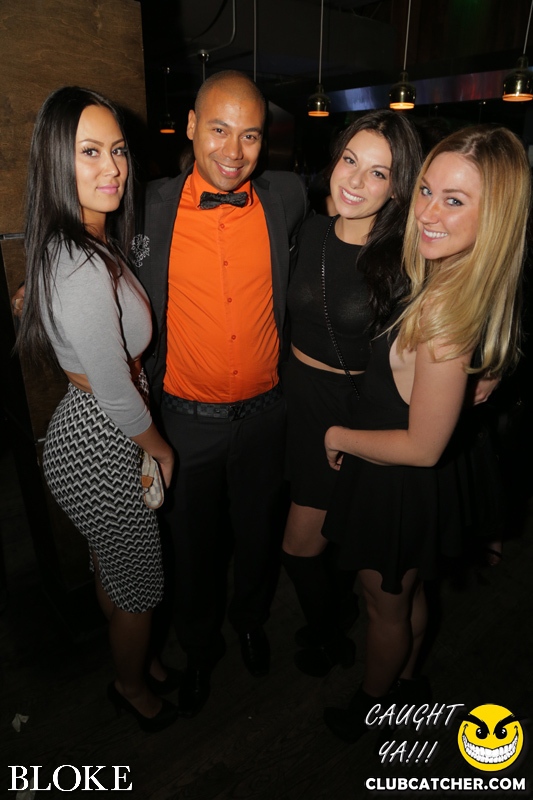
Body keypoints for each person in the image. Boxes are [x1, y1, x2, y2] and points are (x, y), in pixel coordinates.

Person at [320, 124, 530, 742]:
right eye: (427, 191)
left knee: (382, 606)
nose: (428, 213)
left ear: (494, 219)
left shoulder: (443, 317)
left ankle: (373, 705)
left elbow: (423, 446)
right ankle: (409, 680)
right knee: (405, 594)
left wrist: (338, 436)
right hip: (410, 487)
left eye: (455, 200)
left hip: (396, 483)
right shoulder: (453, 278)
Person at [131, 70, 309, 717]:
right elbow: (83, 238)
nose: (234, 152)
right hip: (184, 424)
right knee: (192, 551)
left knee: (258, 537)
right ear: (190, 127)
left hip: (267, 417)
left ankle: (251, 622)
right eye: (219, 129)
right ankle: (200, 648)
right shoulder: (145, 206)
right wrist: (33, 284)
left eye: (250, 135)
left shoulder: (287, 197)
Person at [15, 87, 178, 732]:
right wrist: (160, 448)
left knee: (117, 567)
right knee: (139, 586)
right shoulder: (78, 261)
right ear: (57, 161)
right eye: (89, 152)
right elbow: (112, 388)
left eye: (117, 150)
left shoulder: (79, 242)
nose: (112, 167)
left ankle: (139, 659)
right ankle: (131, 687)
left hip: (92, 435)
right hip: (103, 438)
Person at [281, 111, 423, 676]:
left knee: (301, 547)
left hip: (350, 414)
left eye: (378, 173)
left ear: (398, 187)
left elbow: (464, 317)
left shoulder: (407, 259)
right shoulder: (309, 230)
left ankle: (332, 630)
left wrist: (487, 371)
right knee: (317, 542)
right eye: (350, 161)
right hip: (298, 402)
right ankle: (334, 620)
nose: (356, 181)